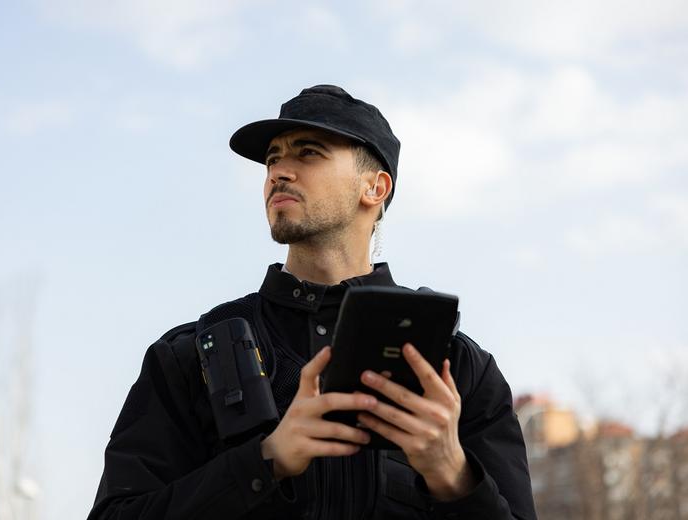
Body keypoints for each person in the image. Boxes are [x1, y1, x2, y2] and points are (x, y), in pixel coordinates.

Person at [87, 85, 537, 519]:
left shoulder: (457, 368)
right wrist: (266, 461)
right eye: (272, 159)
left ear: (375, 188)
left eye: (308, 153)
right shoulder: (188, 357)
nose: (279, 172)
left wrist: (452, 472)